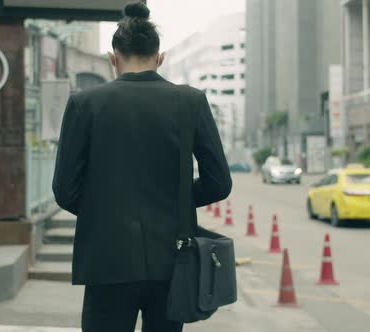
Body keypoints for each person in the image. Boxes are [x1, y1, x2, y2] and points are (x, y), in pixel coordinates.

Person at [52, 2, 232, 331]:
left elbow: (64, 189)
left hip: (106, 260)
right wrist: (174, 201)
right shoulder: (191, 101)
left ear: (113, 58)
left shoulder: (84, 104)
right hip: (173, 262)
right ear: (160, 58)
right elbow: (219, 183)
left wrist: (103, 211)